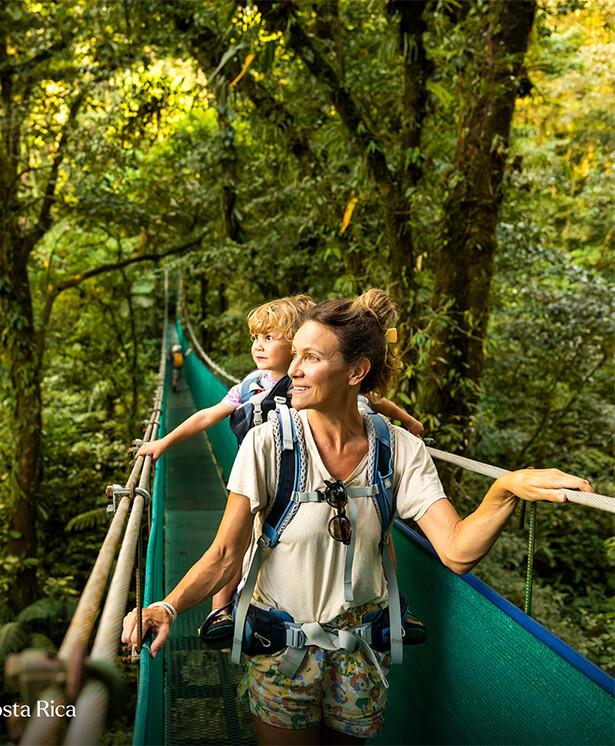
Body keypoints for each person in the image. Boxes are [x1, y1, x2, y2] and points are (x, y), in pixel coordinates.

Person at [123, 289, 590, 745]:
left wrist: (504, 490)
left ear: (357, 371)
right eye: (295, 355)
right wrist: (167, 606)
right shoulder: (265, 443)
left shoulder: (398, 450)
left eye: (311, 358)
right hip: (279, 646)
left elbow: (457, 551)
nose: (293, 371)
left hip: (361, 653)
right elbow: (226, 554)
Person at [139, 294, 424, 642]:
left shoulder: (315, 386)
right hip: (263, 480)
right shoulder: (251, 386)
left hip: (315, 481)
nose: (258, 346)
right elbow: (207, 415)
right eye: (255, 338)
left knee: (377, 532)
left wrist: (408, 422)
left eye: (269, 338)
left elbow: (369, 397)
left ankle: (394, 609)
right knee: (236, 543)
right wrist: (163, 443)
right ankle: (221, 611)